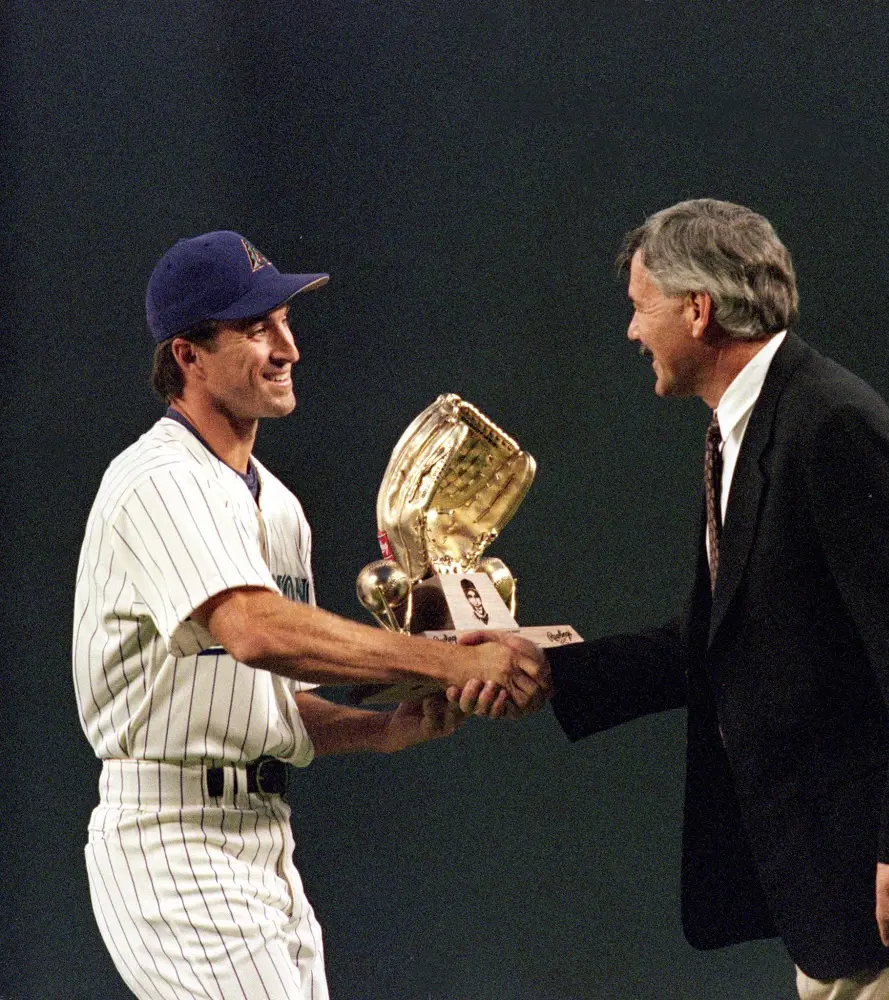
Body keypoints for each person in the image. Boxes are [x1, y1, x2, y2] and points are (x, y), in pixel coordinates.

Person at [459, 199, 889, 998]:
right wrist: (549, 667)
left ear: (698, 310)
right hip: (837, 872)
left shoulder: (831, 423)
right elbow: (717, 639)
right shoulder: (750, 426)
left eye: (641, 309)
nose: (632, 332)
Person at [72, 229, 539, 999]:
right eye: (257, 329)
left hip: (264, 840)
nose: (287, 346)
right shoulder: (157, 480)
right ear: (187, 356)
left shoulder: (279, 506)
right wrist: (451, 661)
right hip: (169, 836)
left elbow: (276, 703)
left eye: (286, 321)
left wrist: (386, 729)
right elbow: (258, 634)